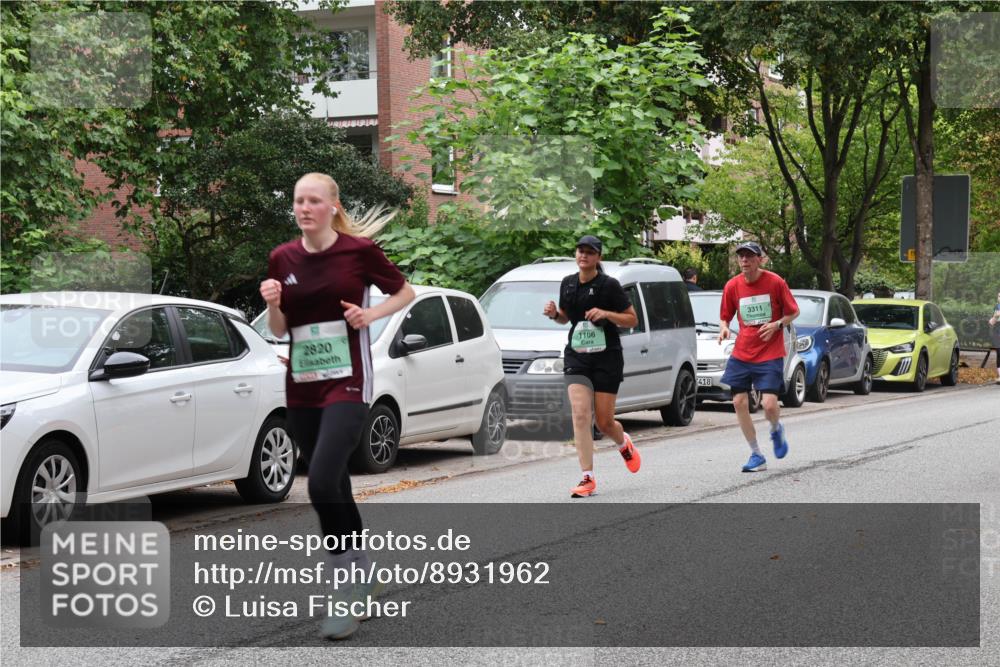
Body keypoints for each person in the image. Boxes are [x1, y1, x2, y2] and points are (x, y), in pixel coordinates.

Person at [259, 172, 415, 639]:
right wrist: (272, 304)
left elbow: (404, 292)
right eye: (298, 201)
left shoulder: (358, 253)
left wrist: (369, 316)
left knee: (323, 478)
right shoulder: (281, 258)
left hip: (348, 382)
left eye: (313, 201)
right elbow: (281, 330)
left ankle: (346, 584)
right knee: (333, 486)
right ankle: (363, 571)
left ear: (332, 205)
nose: (304, 208)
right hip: (302, 385)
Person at [543, 235, 641, 497]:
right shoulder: (568, 283)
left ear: (598, 257)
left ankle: (623, 443)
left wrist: (606, 314)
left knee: (605, 421)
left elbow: (632, 319)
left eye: (589, 252)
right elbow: (566, 318)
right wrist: (555, 314)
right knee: (580, 415)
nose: (583, 255)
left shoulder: (609, 286)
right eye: (580, 251)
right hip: (577, 355)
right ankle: (588, 477)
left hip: (607, 356)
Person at [717, 241, 799, 472]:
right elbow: (725, 316)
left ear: (759, 260)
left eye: (749, 256)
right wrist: (724, 327)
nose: (744, 260)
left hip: (769, 352)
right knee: (738, 402)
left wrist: (777, 324)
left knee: (769, 405)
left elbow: (794, 311)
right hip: (742, 352)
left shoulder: (775, 282)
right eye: (741, 256)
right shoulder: (732, 286)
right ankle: (756, 455)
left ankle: (775, 429)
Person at [989, 290, 1000, 384]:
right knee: (999, 353)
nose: (999, 298)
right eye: (998, 296)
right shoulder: (997, 306)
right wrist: (994, 318)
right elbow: (992, 322)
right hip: (997, 333)